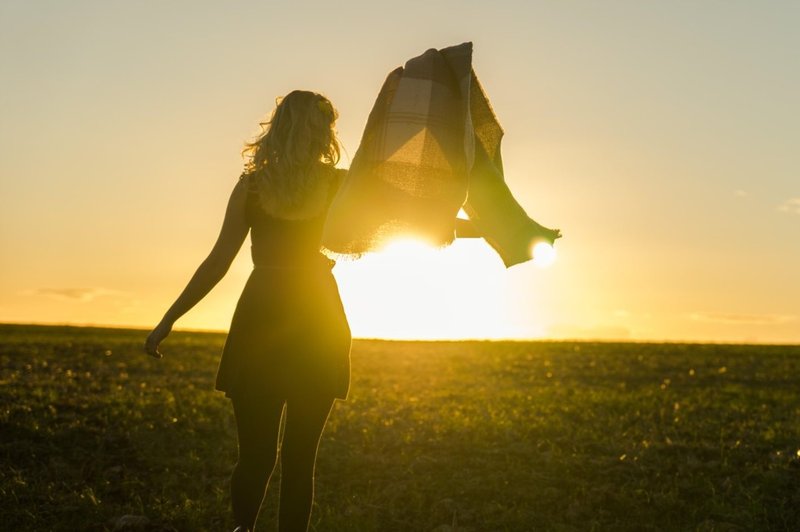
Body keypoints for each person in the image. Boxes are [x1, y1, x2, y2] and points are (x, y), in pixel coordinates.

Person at [144, 90, 352, 531]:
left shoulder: (263, 184)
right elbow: (219, 260)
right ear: (317, 131)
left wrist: (169, 319)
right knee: (288, 460)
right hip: (308, 319)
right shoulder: (318, 184)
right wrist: (169, 317)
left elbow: (218, 261)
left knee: (266, 457)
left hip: (271, 317)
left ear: (278, 128)